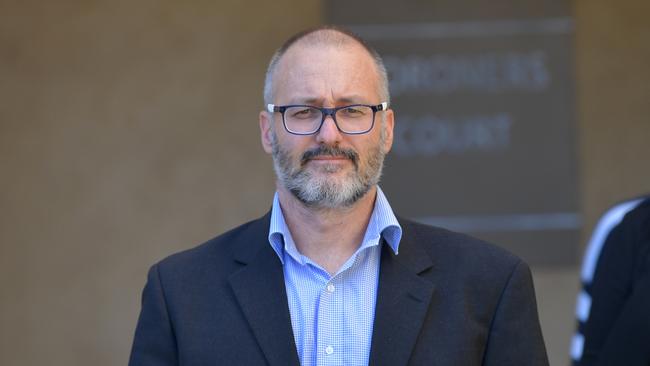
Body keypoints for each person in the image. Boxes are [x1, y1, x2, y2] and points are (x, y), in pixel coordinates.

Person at [129, 26, 549, 366]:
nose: (328, 134)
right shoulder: (180, 293)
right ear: (266, 130)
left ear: (386, 130)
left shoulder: (489, 286)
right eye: (303, 111)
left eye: (352, 110)